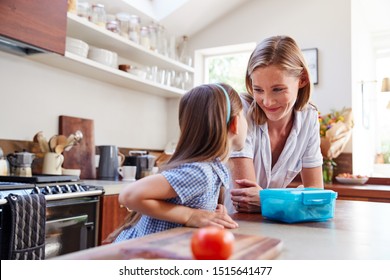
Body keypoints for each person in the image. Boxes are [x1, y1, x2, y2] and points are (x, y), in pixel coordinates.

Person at [112, 83, 247, 242]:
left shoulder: (212, 169)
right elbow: (129, 195)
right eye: (244, 115)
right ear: (235, 123)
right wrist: (190, 215)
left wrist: (210, 213)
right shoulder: (202, 173)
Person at [228, 35, 324, 213]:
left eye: (278, 89)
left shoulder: (309, 118)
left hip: (272, 225)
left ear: (302, 79)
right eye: (258, 90)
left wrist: (265, 198)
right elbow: (245, 201)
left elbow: (316, 197)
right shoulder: (241, 112)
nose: (267, 101)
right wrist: (294, 199)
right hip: (230, 223)